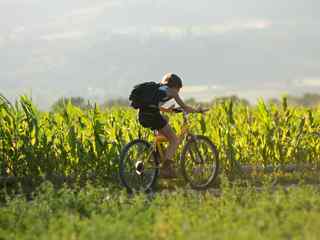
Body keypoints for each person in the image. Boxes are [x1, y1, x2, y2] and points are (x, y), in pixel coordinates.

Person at [137, 73, 200, 178]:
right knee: (174, 140)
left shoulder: (159, 89)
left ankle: (156, 155)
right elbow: (184, 107)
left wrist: (168, 110)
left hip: (142, 115)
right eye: (179, 88)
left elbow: (156, 106)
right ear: (175, 86)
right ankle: (166, 169)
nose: (178, 91)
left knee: (165, 119)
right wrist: (198, 110)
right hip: (153, 116)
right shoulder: (172, 91)